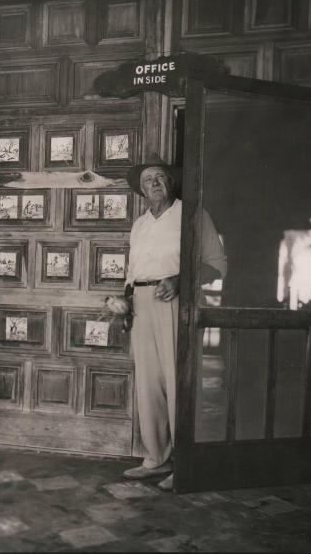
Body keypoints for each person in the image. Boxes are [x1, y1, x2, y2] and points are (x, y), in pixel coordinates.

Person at [122, 156, 227, 491]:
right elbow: (133, 272)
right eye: (147, 180)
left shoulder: (192, 214)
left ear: (171, 182)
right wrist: (123, 300)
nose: (154, 184)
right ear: (140, 190)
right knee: (148, 384)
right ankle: (156, 459)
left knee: (178, 380)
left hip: (174, 302)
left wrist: (182, 281)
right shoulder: (140, 224)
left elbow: (217, 264)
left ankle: (186, 464)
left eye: (160, 178)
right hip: (141, 305)